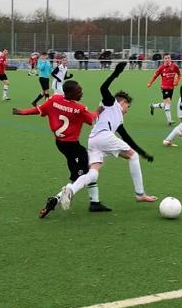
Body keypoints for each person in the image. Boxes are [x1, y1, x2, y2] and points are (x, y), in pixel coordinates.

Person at [58, 62, 157, 211]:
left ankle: (70, 190)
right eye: (128, 106)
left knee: (93, 173)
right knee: (133, 156)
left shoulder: (118, 119)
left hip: (93, 140)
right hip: (104, 137)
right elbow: (103, 88)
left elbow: (127, 138)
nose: (127, 110)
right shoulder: (111, 103)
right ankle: (140, 194)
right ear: (122, 102)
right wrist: (116, 73)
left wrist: (144, 153)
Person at [12, 79, 111, 217]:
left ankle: (93, 202)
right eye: (78, 92)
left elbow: (38, 109)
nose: (81, 93)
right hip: (73, 146)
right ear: (69, 93)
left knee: (80, 173)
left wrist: (22, 112)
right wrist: (100, 109)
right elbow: (91, 119)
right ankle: (61, 198)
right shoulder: (79, 108)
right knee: (87, 173)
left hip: (60, 144)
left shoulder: (54, 100)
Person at [147, 55, 182, 126]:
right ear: (163, 59)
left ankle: (153, 106)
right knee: (168, 103)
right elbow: (155, 76)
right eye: (165, 58)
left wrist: (177, 82)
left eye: (168, 58)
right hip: (164, 87)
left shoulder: (175, 66)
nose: (167, 59)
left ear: (170, 59)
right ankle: (169, 121)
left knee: (165, 104)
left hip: (171, 88)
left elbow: (179, 75)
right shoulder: (161, 68)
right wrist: (150, 82)